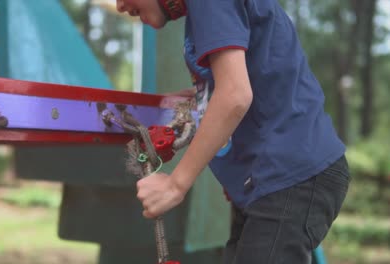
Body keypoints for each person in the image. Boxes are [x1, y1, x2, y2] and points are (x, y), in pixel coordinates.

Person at [117, 0, 350, 263]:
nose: (119, 5)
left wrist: (174, 185)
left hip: (290, 175)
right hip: (270, 179)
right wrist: (193, 102)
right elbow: (242, 85)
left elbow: (235, 95)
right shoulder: (202, 14)